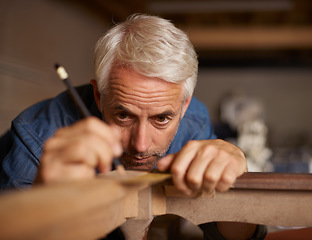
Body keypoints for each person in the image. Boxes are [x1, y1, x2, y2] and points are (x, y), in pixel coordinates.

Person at [0, 14, 266, 240]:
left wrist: (236, 188)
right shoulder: (37, 139)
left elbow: (229, 233)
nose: (140, 145)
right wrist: (45, 209)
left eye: (161, 119)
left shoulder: (193, 121)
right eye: (123, 115)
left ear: (185, 106)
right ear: (98, 96)